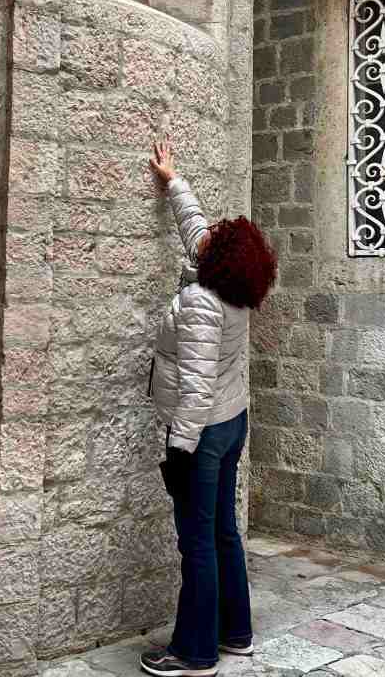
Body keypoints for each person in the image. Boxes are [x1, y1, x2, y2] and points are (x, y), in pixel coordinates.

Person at [140, 138, 278, 677]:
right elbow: (196, 231)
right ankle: (235, 633)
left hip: (202, 433)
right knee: (223, 531)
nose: (208, 238)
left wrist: (179, 449)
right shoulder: (235, 287)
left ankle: (195, 653)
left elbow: (195, 389)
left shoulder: (202, 301)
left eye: (216, 240)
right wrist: (173, 181)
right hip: (231, 421)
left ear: (219, 259)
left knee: (197, 542)